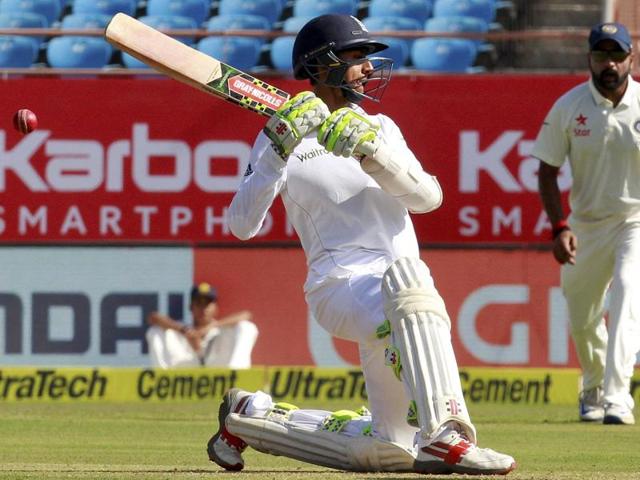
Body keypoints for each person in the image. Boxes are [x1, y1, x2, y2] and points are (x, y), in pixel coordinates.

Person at [206, 14, 516, 475]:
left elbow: (428, 198)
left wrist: (374, 153)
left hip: (403, 305)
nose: (369, 69)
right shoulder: (282, 138)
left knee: (388, 451)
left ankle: (249, 416)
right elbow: (240, 225)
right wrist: (274, 152)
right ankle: (447, 434)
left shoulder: (382, 129)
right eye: (356, 58)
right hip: (341, 287)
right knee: (410, 278)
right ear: (320, 65)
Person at [533, 21, 640, 425]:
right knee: (583, 316)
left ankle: (617, 397)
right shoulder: (569, 106)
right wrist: (560, 227)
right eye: (601, 56)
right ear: (589, 60)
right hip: (586, 225)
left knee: (629, 294)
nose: (609, 64)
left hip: (635, 220)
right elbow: (547, 171)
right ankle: (593, 386)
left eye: (617, 55)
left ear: (631, 58)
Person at [146, 282, 258, 369]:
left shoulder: (219, 329)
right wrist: (185, 331)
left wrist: (212, 326)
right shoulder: (185, 327)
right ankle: (161, 380)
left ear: (215, 307)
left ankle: (236, 375)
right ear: (191, 307)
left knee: (246, 327)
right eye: (199, 304)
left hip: (217, 365)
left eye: (207, 304)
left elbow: (246, 315)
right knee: (156, 331)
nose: (203, 309)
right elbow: (153, 317)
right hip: (187, 366)